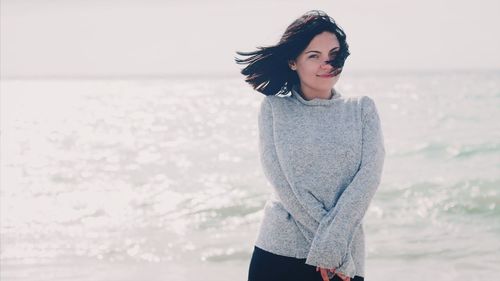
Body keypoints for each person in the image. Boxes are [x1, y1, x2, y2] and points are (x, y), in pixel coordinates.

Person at [235, 10, 385, 281]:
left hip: (342, 261)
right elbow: (282, 183)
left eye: (333, 54)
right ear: (294, 61)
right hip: (279, 253)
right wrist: (329, 247)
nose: (326, 64)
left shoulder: (362, 109)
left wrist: (333, 247)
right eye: (313, 56)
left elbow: (368, 180)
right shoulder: (273, 109)